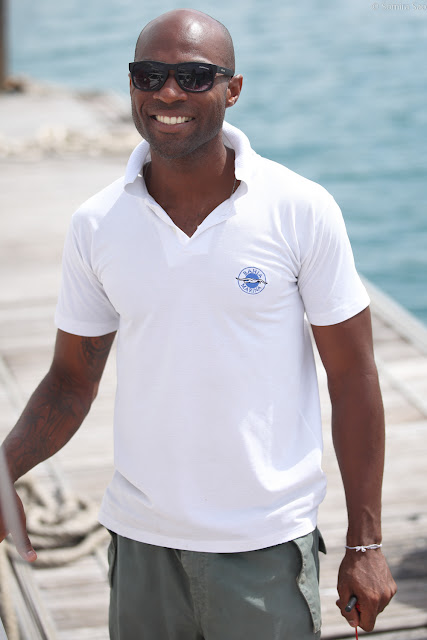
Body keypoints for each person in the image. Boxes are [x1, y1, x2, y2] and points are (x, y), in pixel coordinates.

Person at [0, 8, 396, 639]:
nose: (167, 93)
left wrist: (365, 543)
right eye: (149, 75)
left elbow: (354, 378)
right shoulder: (97, 224)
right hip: (140, 544)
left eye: (192, 77)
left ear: (232, 89)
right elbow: (71, 381)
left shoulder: (300, 209)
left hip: (264, 545)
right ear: (131, 84)